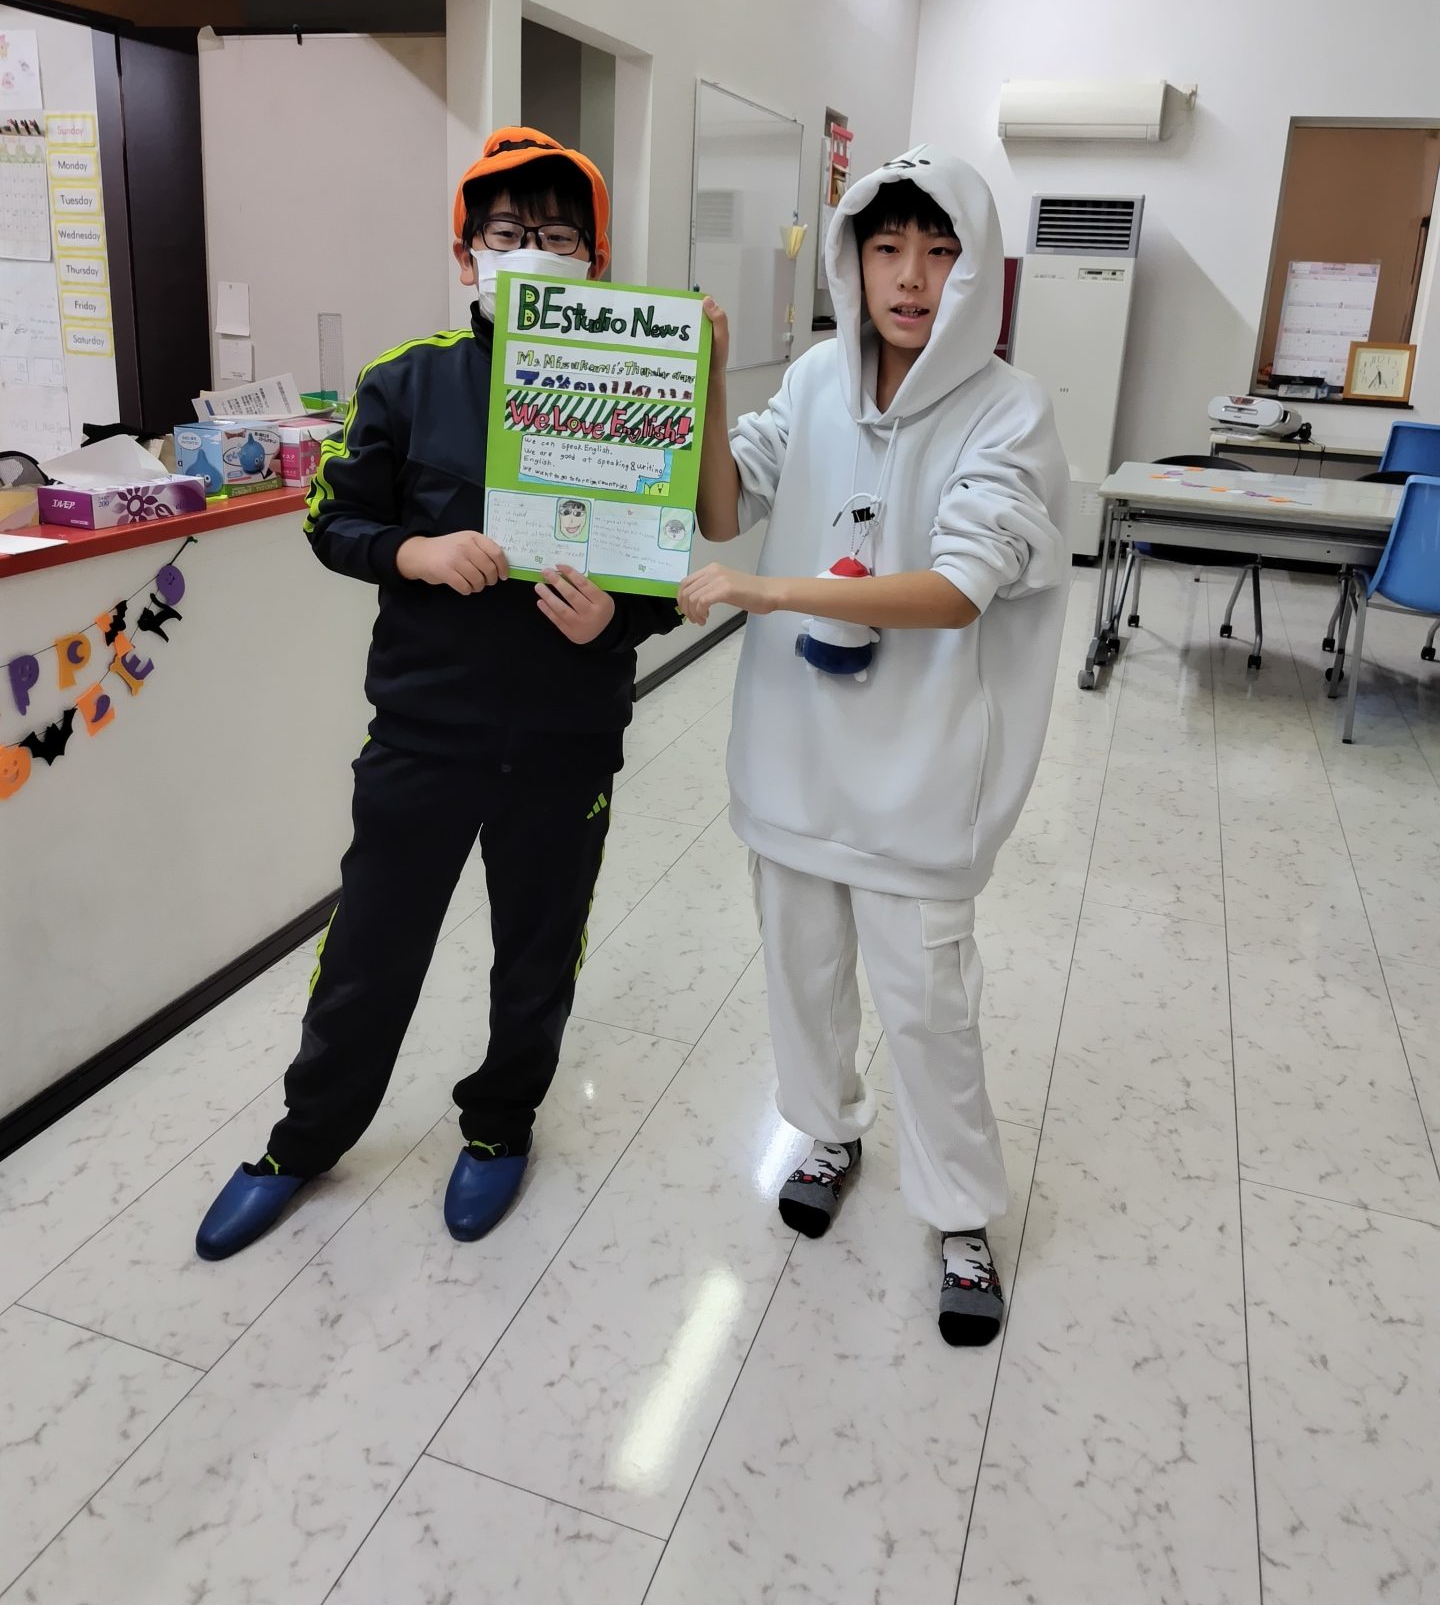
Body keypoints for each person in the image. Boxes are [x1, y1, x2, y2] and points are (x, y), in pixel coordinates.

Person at [197, 127, 682, 1260]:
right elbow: (331, 519)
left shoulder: (638, 388)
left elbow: (659, 574)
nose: (532, 251)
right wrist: (413, 553)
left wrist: (619, 620)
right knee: (370, 948)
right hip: (425, 730)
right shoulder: (407, 380)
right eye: (508, 233)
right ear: (468, 254)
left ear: (596, 261)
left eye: (558, 235)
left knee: (538, 951)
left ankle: (500, 1124)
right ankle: (302, 1141)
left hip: (566, 733)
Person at [680, 146, 1067, 1345]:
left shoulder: (1009, 409)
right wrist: (704, 383)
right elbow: (723, 507)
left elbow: (955, 590)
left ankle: (961, 1215)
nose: (910, 278)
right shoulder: (810, 383)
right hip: (795, 760)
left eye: (940, 253)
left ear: (976, 270)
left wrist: (770, 590)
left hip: (921, 776)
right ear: (851, 260)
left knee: (928, 1007)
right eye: (888, 249)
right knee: (801, 976)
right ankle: (828, 1132)